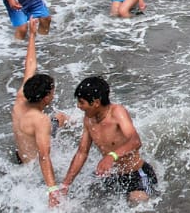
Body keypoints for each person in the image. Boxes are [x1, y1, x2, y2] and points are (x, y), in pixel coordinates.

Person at [59, 76, 157, 204]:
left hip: (136, 174)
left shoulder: (117, 112)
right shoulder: (88, 119)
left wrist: (111, 156)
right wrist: (65, 185)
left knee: (138, 203)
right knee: (85, 200)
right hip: (112, 176)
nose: (78, 106)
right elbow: (82, 153)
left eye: (81, 102)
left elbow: (136, 141)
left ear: (96, 102)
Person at [12, 21, 69, 204]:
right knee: (60, 118)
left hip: (21, 156)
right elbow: (44, 156)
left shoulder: (21, 97)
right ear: (45, 98)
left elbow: (30, 64)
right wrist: (52, 189)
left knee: (60, 117)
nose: (53, 94)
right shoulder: (41, 120)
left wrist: (32, 35)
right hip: (33, 169)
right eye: (52, 92)